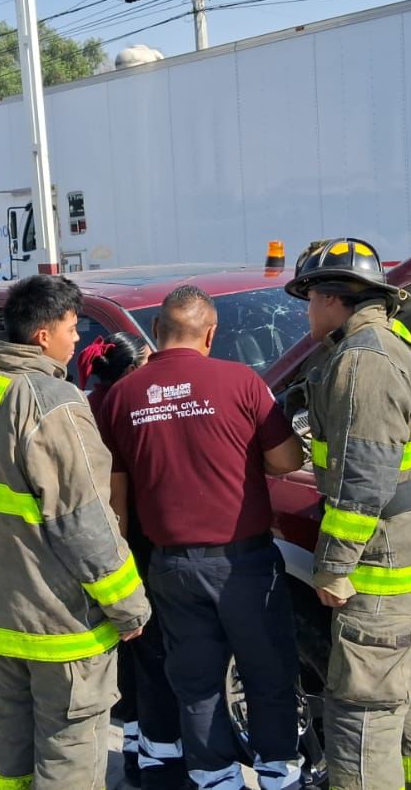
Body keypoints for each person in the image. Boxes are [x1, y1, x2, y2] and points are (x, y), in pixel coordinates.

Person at [0, 275, 151, 790]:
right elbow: (84, 521)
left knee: (14, 742)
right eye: (72, 328)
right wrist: (129, 605)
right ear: (42, 336)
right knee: (69, 751)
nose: (77, 340)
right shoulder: (53, 402)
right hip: (60, 626)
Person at [98, 286, 306, 790]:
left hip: (169, 569)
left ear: (159, 333)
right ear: (210, 333)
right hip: (244, 564)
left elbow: (115, 500)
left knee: (194, 684)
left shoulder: (121, 396)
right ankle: (279, 776)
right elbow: (286, 461)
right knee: (268, 674)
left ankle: (216, 780)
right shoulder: (242, 382)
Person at [285, 238, 411, 790]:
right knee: (409, 702)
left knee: (363, 721)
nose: (307, 310)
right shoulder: (392, 343)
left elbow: (363, 478)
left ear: (333, 299)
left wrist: (334, 566)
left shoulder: (362, 362)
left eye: (308, 297)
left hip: (382, 568)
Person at [80, 332, 187, 790]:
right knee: (153, 656)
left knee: (132, 662)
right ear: (130, 367)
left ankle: (134, 756)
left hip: (110, 548)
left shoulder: (93, 402)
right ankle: (156, 765)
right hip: (133, 545)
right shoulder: (123, 403)